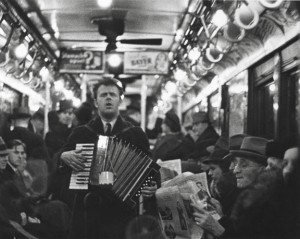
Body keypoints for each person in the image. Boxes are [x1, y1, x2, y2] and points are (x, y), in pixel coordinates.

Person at [57, 77, 159, 239]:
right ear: (96, 102)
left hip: (122, 212)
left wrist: (151, 187)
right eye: (103, 95)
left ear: (120, 100)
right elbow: (59, 160)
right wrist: (63, 156)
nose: (109, 98)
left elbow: (151, 171)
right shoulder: (82, 133)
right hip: (87, 211)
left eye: (113, 94)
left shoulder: (135, 134)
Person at [191, 136, 288, 239]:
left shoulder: (270, 205)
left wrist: (217, 230)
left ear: (264, 169)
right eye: (236, 163)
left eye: (244, 165)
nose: (235, 170)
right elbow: (240, 231)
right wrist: (221, 216)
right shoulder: (250, 197)